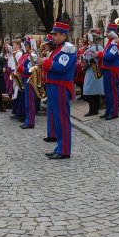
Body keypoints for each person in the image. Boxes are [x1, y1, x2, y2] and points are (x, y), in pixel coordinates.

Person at [37, 22, 76, 159]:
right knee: (56, 119)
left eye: (55, 34)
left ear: (64, 35)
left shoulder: (68, 49)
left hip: (60, 87)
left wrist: (44, 62)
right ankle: (60, 146)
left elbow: (61, 68)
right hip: (53, 86)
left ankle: (64, 150)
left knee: (62, 119)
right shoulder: (57, 49)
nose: (53, 37)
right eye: (53, 34)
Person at [99, 23, 119, 120]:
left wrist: (99, 54)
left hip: (112, 70)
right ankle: (108, 110)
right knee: (107, 92)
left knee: (112, 92)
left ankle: (114, 112)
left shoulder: (115, 43)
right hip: (107, 70)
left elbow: (110, 56)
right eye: (107, 31)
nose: (106, 33)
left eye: (108, 32)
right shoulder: (109, 42)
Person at [82, 29, 104, 116]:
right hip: (96, 71)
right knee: (95, 92)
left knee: (89, 91)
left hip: (92, 71)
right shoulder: (99, 47)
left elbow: (87, 59)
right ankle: (95, 109)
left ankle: (92, 110)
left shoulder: (93, 48)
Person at [18, 37, 36, 129]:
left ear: (29, 46)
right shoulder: (27, 54)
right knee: (27, 101)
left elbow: (31, 69)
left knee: (29, 101)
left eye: (25, 45)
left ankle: (30, 121)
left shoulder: (33, 54)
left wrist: (21, 69)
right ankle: (27, 120)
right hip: (25, 79)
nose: (24, 47)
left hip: (29, 79)